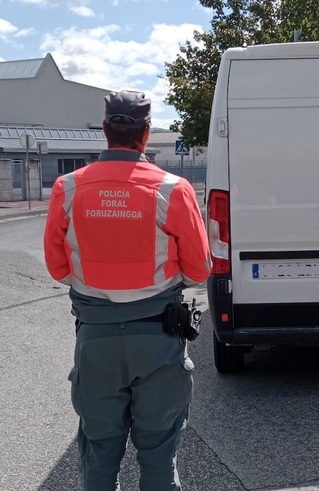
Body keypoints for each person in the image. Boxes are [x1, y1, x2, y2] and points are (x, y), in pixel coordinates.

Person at [43, 90, 211, 491]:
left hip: (95, 338)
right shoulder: (173, 189)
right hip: (158, 338)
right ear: (147, 132)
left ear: (104, 130)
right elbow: (200, 268)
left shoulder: (67, 188)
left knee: (99, 450)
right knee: (158, 453)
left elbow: (57, 267)